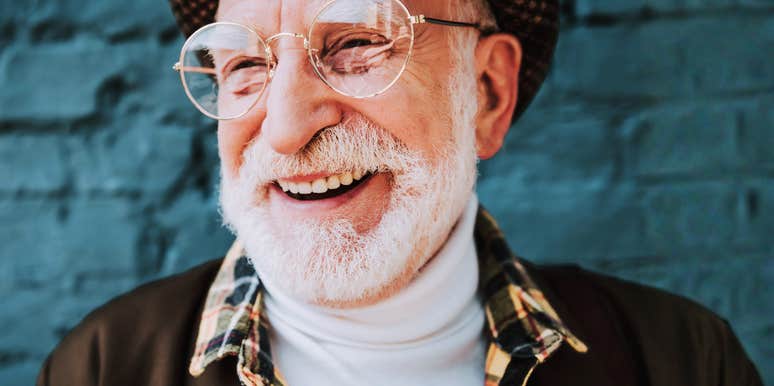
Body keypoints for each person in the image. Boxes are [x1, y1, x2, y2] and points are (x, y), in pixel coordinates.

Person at [36, 0, 763, 385]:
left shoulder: (680, 361)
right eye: (244, 64)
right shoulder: (100, 369)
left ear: (485, 92)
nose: (285, 128)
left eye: (356, 44)